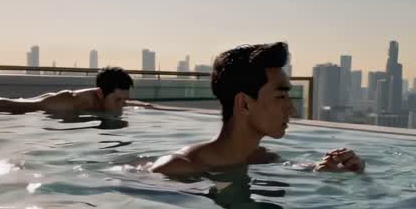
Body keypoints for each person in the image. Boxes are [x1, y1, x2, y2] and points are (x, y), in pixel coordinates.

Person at [152, 42, 364, 176]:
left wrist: (333, 169)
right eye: (281, 96)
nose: (291, 110)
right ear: (244, 104)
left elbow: (303, 169)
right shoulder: (175, 168)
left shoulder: (263, 159)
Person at [0, 67, 153, 117]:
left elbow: (135, 104)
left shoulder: (112, 101)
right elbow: (11, 105)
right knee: (21, 103)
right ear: (100, 93)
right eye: (118, 100)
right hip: (47, 103)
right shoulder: (70, 102)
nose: (121, 106)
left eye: (125, 101)